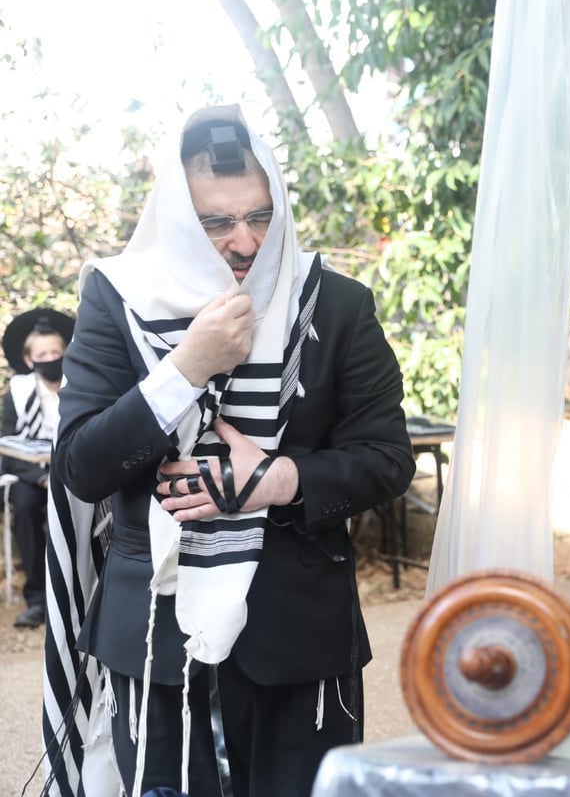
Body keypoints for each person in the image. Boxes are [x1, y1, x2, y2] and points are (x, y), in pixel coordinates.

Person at [47, 105, 416, 796]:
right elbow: (81, 466)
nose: (244, 241)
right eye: (217, 222)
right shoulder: (117, 295)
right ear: (179, 218)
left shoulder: (334, 303)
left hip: (299, 634)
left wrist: (276, 479)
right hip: (155, 636)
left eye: (260, 215)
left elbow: (387, 457)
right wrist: (185, 369)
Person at [1, 308, 73, 628]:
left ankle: (78, 593)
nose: (50, 359)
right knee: (26, 505)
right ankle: (38, 598)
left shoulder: (80, 386)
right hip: (31, 473)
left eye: (56, 352)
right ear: (30, 360)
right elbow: (7, 444)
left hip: (74, 466)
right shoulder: (17, 392)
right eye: (42, 354)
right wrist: (41, 477)